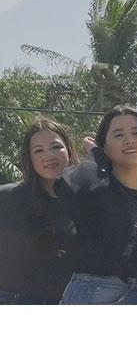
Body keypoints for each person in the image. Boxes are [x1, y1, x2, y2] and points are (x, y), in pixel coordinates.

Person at [56, 106, 137, 304]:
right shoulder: (95, 185)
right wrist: (98, 157)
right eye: (118, 135)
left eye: (136, 132)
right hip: (102, 294)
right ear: (105, 147)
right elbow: (76, 181)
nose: (129, 140)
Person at [0, 116, 79, 304]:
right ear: (30, 159)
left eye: (56, 147)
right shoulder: (7, 198)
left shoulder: (87, 200)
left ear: (68, 149)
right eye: (38, 150)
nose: (49, 155)